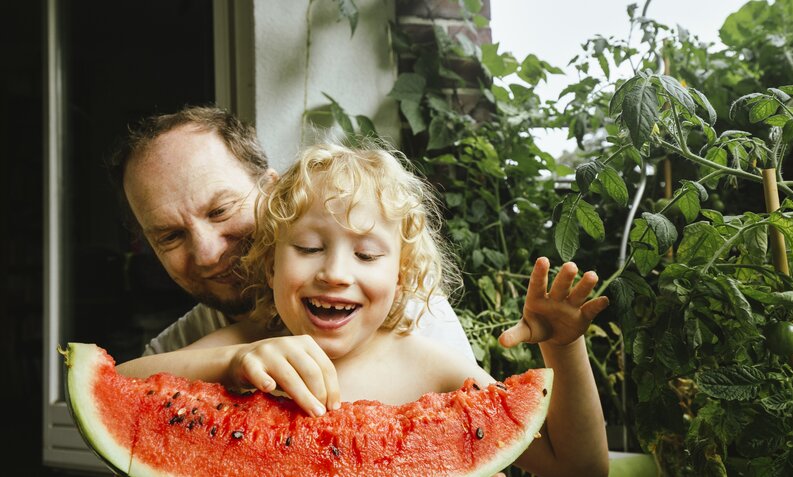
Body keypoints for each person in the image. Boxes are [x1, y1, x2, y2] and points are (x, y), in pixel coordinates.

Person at [123, 143, 610, 476]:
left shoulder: (429, 365)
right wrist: (229, 363)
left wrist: (563, 348)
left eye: (367, 255)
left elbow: (578, 468)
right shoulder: (244, 346)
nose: (335, 272)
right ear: (269, 266)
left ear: (400, 276)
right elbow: (117, 386)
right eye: (309, 248)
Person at [109, 106, 475, 362]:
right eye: (170, 236)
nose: (206, 253)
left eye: (220, 211)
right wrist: (228, 362)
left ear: (273, 193)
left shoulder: (402, 311)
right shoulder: (174, 353)